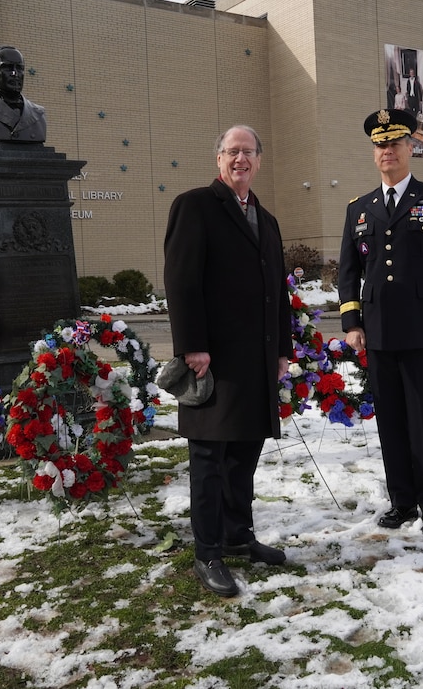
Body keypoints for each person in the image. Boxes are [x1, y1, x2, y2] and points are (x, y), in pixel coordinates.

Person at [163, 125, 292, 597]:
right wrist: (191, 345)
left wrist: (282, 351)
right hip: (211, 361)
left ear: (259, 160)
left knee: (243, 456)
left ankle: (239, 536)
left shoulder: (267, 218)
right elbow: (181, 280)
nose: (241, 159)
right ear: (218, 159)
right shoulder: (195, 205)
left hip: (255, 361)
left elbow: (277, 293)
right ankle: (208, 550)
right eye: (232, 151)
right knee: (210, 458)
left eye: (249, 152)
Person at [337, 108, 423, 537]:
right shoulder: (359, 208)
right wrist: (352, 323)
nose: (386, 152)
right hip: (376, 333)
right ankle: (401, 502)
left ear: (411, 147)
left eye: (394, 143)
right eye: (379, 145)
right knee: (391, 421)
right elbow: (347, 273)